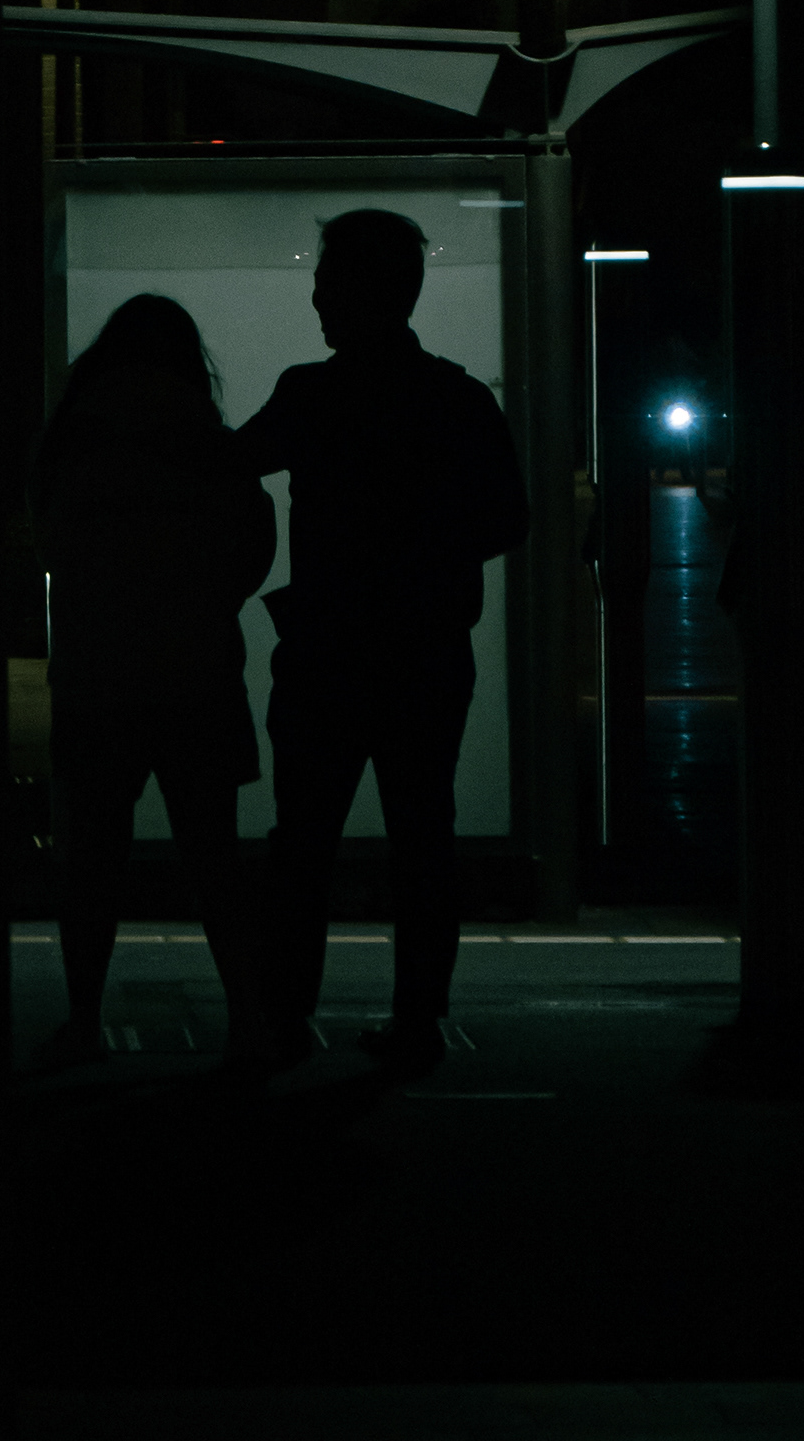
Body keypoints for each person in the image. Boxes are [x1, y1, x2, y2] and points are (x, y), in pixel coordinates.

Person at [238, 209, 528, 1080]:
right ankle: (417, 1017)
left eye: (328, 283)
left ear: (355, 291)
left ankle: (287, 1014)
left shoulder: (311, 394)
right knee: (423, 839)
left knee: (304, 843)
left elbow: (228, 462)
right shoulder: (458, 399)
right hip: (426, 649)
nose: (317, 297)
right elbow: (506, 520)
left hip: (327, 648)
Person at [30, 292, 277, 1069]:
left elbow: (45, 536)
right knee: (213, 860)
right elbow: (252, 538)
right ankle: (246, 1018)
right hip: (195, 669)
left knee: (94, 860)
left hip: (98, 672)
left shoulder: (77, 431)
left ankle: (81, 1019)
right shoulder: (204, 434)